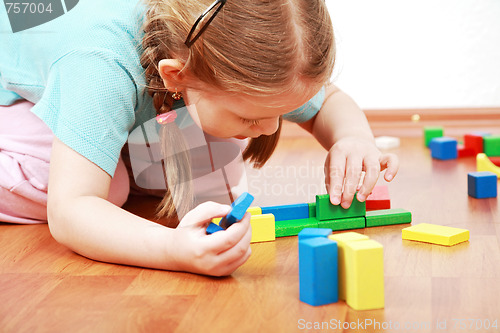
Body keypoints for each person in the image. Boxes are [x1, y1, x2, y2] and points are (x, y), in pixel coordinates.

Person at [0, 0, 398, 276]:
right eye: (251, 116)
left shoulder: (225, 49)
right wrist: (171, 250)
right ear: (176, 75)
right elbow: (71, 212)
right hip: (17, 95)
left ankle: (114, 151)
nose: (274, 128)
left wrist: (353, 137)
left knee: (210, 184)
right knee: (109, 191)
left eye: (279, 112)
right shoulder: (99, 63)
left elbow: (330, 101)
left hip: (104, 87)